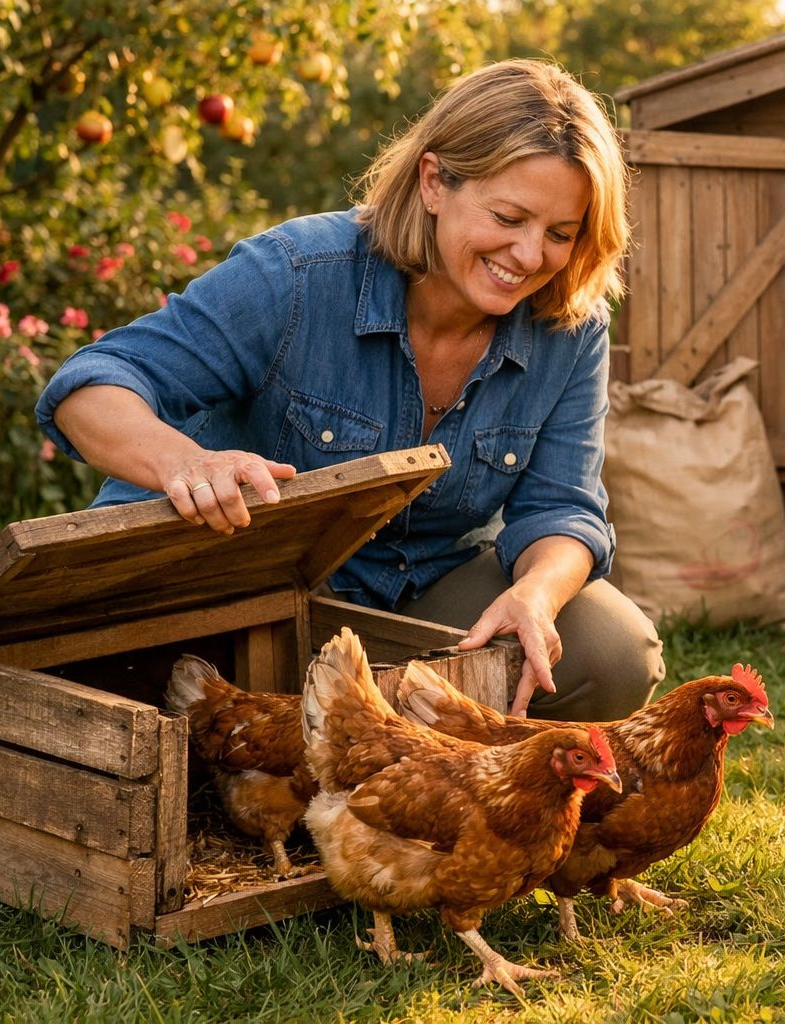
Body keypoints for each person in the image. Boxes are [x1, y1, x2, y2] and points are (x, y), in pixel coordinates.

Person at [36, 59, 665, 721]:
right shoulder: (301, 274)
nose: (531, 256)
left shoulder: (568, 326)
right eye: (509, 217)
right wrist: (186, 464)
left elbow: (563, 509)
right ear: (434, 183)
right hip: (233, 594)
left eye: (561, 234)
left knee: (609, 654)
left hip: (402, 601)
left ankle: (368, 757)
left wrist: (535, 594)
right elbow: (89, 388)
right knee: (161, 705)